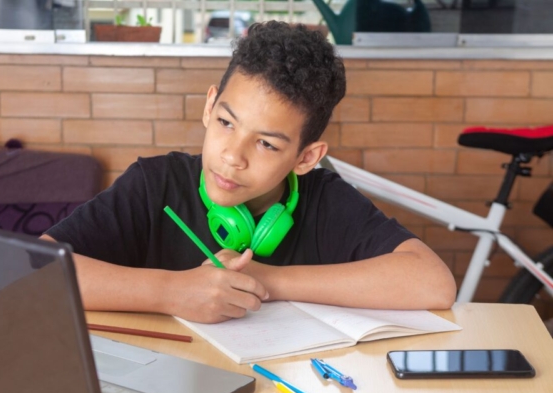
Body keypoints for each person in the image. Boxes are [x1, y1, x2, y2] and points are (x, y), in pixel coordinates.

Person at [42, 21, 456, 323]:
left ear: (306, 158)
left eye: (266, 144)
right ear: (209, 106)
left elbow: (433, 283)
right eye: (226, 123)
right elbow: (36, 269)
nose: (232, 156)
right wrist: (170, 291)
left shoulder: (326, 200)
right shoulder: (155, 183)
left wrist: (269, 282)